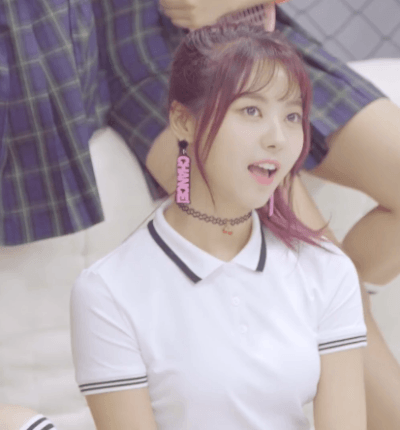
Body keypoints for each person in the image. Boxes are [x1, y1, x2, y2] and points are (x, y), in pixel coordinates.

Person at [71, 25, 368, 429]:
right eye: (251, 111)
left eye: (292, 116)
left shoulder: (326, 269)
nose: (278, 139)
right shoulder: (108, 291)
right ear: (183, 121)